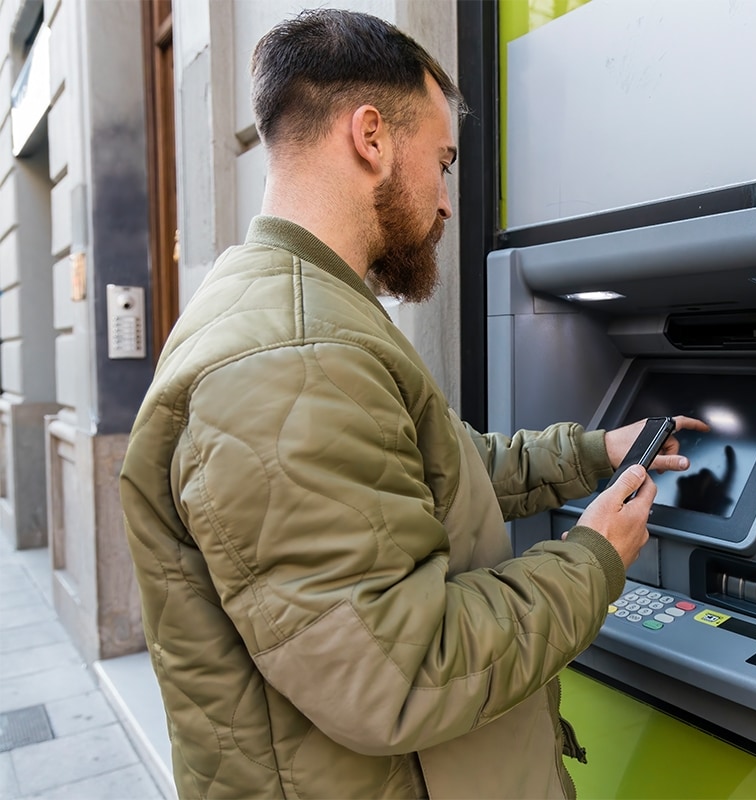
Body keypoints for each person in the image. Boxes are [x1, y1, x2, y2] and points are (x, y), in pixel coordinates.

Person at [119, 8, 708, 800]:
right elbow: (399, 671)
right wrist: (595, 557)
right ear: (371, 137)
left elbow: (429, 472)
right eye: (444, 162)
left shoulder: (285, 309)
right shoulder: (294, 359)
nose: (446, 203)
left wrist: (593, 453)